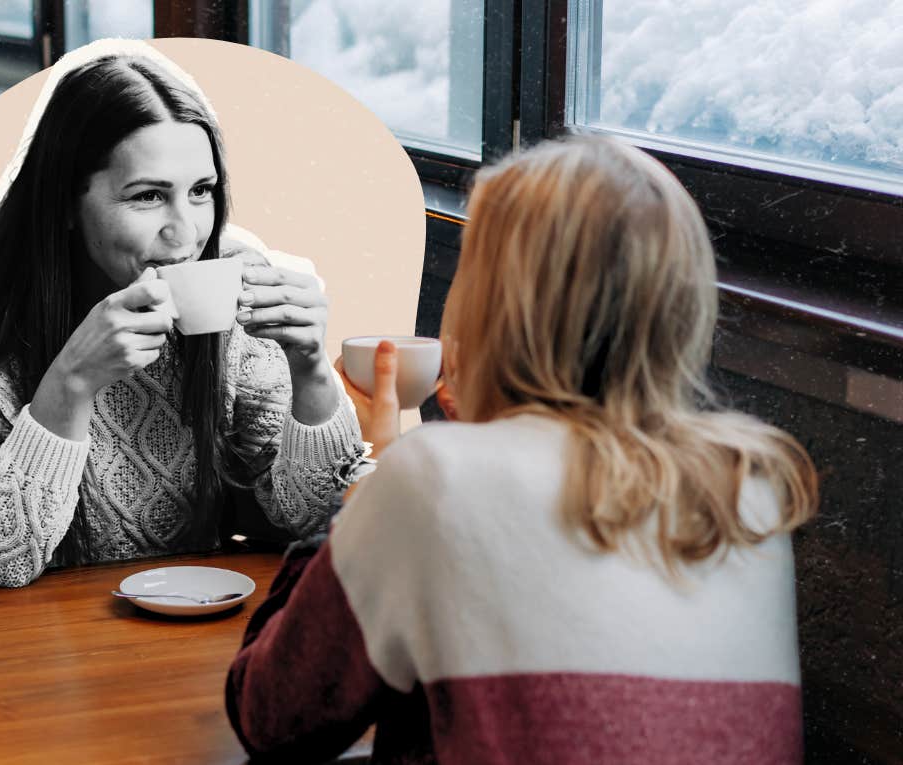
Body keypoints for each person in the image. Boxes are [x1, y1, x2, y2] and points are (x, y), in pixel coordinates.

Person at [226, 135, 819, 763]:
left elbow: (272, 718)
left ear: (490, 309)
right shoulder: (749, 487)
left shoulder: (433, 479)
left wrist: (357, 505)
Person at [0, 45, 365, 588]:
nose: (186, 233)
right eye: (148, 196)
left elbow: (319, 523)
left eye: (201, 192)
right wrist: (71, 384)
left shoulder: (235, 287)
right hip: (13, 635)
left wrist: (311, 371)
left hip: (186, 623)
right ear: (65, 205)